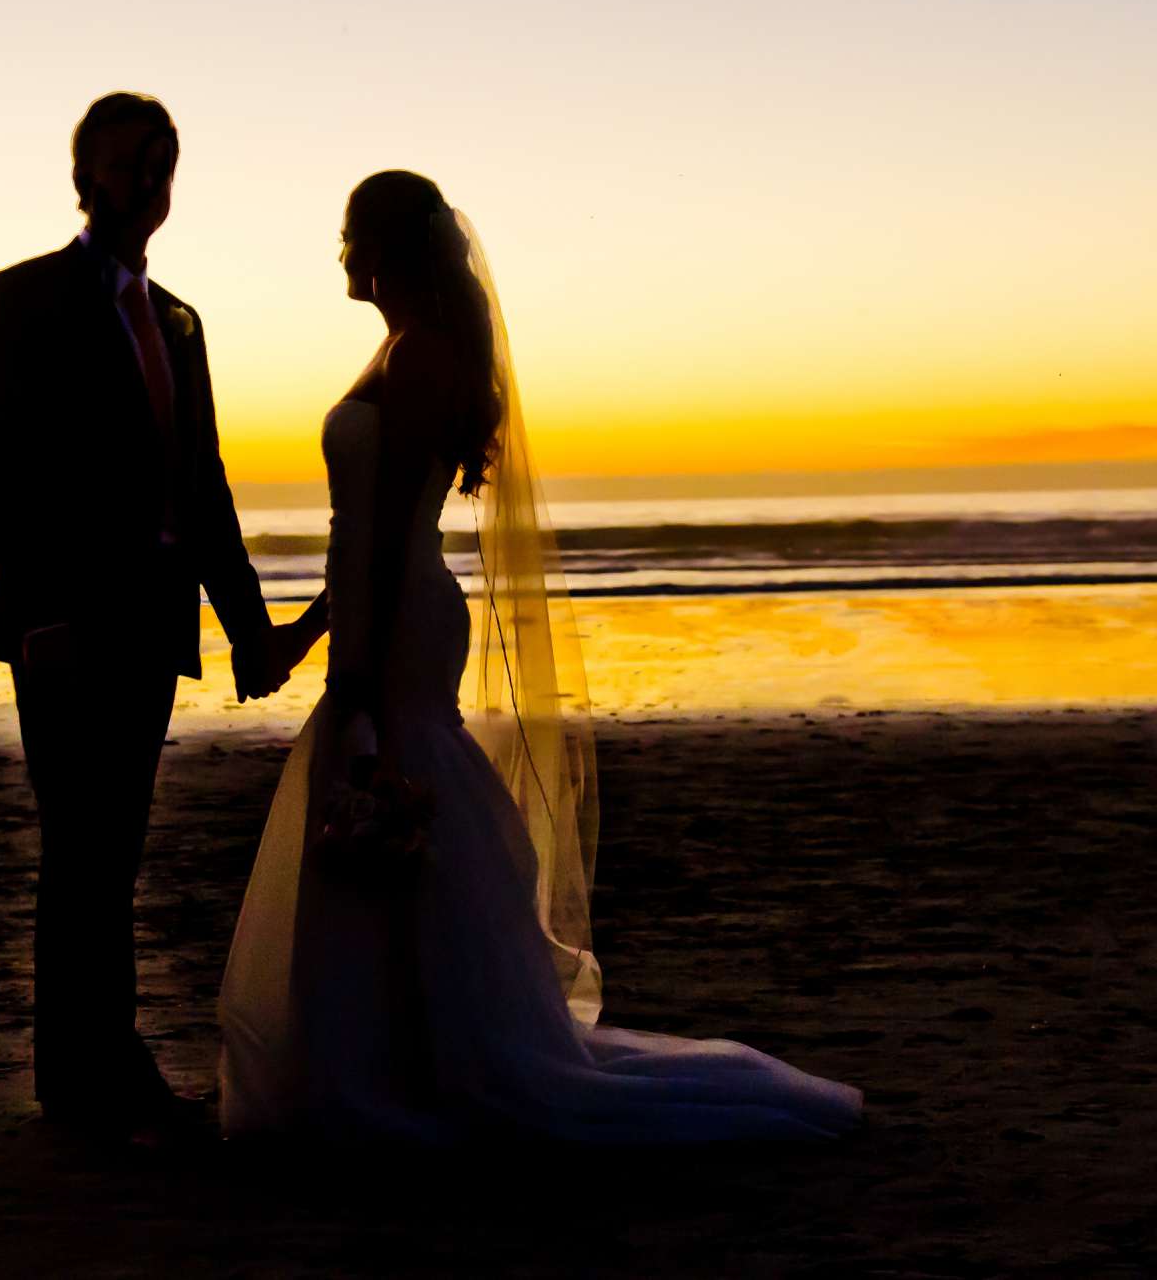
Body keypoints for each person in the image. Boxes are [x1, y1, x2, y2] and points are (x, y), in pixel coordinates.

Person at [218, 169, 862, 1141]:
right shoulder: (398, 350)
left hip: (399, 620)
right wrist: (308, 634)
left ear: (387, 247)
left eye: (350, 235)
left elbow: (389, 539)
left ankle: (426, 1060)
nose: (341, 254)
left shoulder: (421, 357)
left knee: (395, 789)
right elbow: (363, 536)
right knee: (384, 803)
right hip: (382, 607)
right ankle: (388, 1052)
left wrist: (350, 672)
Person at [0, 92, 327, 1139]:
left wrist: (248, 629)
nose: (146, 180)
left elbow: (201, 490)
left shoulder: (180, 321)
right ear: (84, 176)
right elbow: (8, 473)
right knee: (77, 847)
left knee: (114, 848)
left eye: (161, 163)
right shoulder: (21, 300)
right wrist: (38, 618)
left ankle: (103, 1070)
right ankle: (78, 1081)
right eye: (128, 163)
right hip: (65, 629)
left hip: (151, 625)